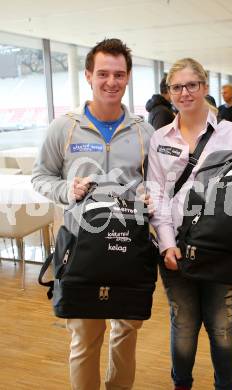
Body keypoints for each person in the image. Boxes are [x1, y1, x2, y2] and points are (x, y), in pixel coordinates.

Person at [32, 38, 154, 390]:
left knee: (125, 334)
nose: (111, 82)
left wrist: (150, 196)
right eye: (103, 73)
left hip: (128, 248)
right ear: (88, 75)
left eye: (118, 74)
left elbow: (158, 184)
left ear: (128, 77)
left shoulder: (143, 131)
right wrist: (65, 190)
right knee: (84, 339)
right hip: (79, 248)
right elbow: (41, 176)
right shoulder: (63, 128)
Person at [147, 58, 232, 390]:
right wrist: (166, 244)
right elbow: (157, 195)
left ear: (204, 87)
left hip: (223, 250)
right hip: (175, 248)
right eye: (177, 87)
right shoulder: (160, 138)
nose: (185, 93)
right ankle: (182, 384)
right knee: (184, 324)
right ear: (169, 92)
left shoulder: (231, 135)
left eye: (192, 85)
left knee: (222, 327)